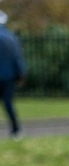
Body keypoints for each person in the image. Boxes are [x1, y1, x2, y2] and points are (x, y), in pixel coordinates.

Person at [0, 10, 25, 140]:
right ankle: (16, 130)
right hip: (8, 77)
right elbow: (17, 58)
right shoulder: (11, 37)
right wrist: (21, 74)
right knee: (8, 103)